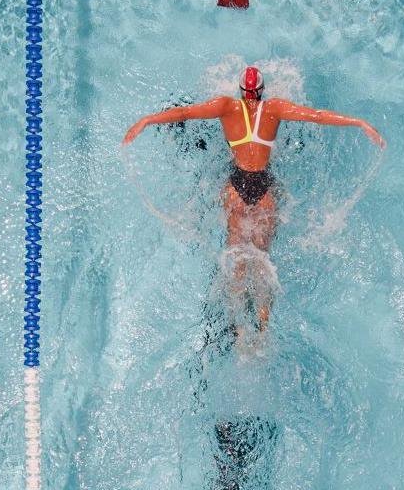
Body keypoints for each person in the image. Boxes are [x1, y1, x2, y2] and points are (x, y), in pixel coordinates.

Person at [123, 66, 385, 351]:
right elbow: (317, 116)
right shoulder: (274, 108)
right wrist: (360, 123)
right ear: (261, 91)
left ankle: (238, 332)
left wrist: (147, 120)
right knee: (261, 262)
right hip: (264, 192)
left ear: (240, 90)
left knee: (236, 258)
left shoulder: (225, 106)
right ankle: (261, 330)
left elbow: (185, 113)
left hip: (236, 190)